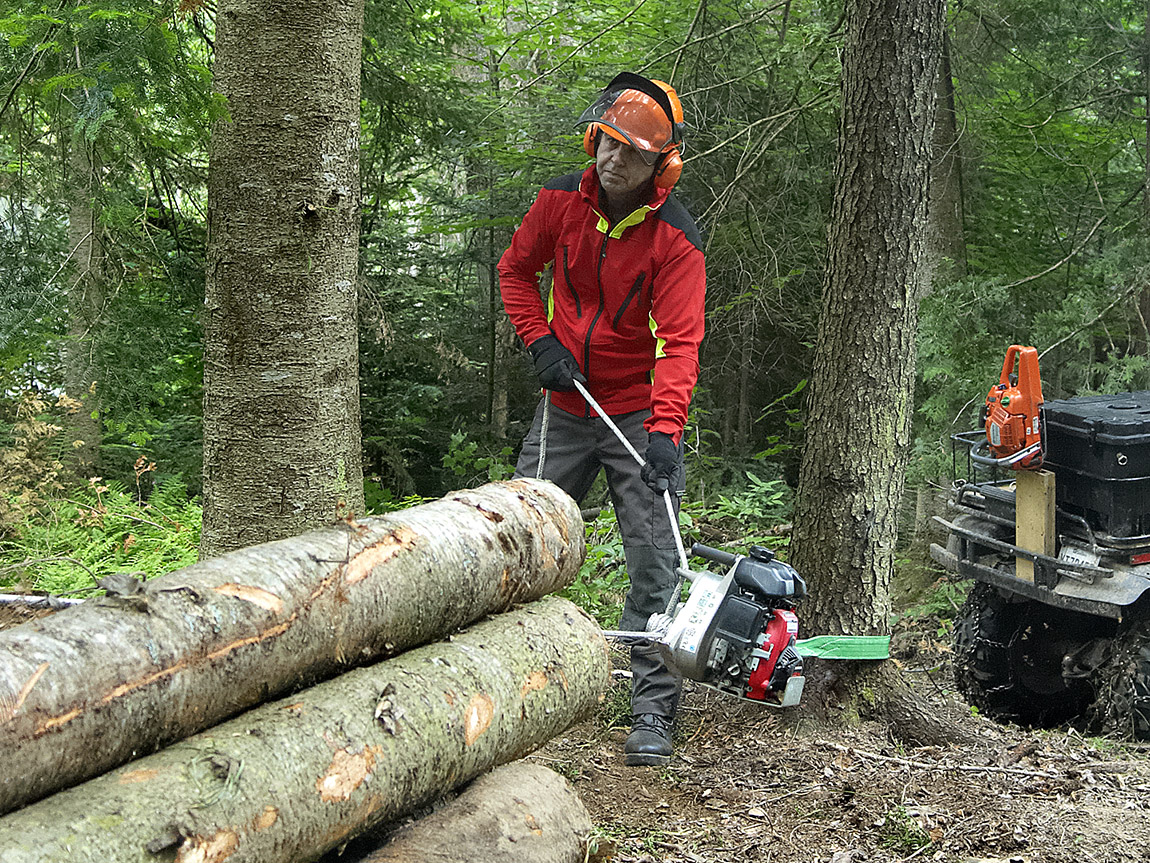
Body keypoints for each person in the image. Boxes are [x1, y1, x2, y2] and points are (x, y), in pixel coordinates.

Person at [498, 72, 706, 766]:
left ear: (660, 166)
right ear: (596, 138)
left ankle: (651, 707)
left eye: (632, 153)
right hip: (566, 401)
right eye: (608, 144)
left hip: (637, 410)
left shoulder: (676, 239)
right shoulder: (561, 198)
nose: (614, 160)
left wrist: (665, 434)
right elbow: (514, 271)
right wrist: (541, 341)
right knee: (525, 541)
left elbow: (680, 342)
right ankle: (513, 686)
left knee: (655, 561)